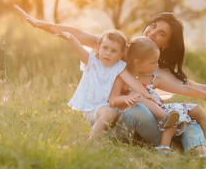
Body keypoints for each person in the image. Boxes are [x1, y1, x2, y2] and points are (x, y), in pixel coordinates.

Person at [15, 6, 206, 155]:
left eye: (160, 33)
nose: (151, 33)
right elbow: (79, 34)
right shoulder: (120, 47)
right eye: (152, 26)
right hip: (120, 118)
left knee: (188, 118)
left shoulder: (159, 72)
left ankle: (203, 152)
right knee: (143, 108)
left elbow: (196, 88)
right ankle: (169, 143)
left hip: (145, 125)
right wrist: (40, 25)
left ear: (167, 45)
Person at [23, 22, 179, 139]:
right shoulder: (91, 61)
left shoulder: (119, 66)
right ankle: (92, 142)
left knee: (141, 98)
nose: (108, 53)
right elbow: (79, 48)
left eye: (113, 51)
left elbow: (133, 83)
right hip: (93, 108)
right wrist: (69, 37)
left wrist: (147, 94)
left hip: (109, 106)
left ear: (121, 53)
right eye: (105, 48)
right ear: (99, 47)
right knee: (109, 113)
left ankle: (164, 117)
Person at [109, 36, 206, 154]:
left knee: (194, 112)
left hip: (162, 116)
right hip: (146, 120)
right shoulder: (123, 79)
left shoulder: (153, 79)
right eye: (153, 62)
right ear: (137, 62)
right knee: (178, 115)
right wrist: (126, 98)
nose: (157, 65)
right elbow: (112, 100)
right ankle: (166, 145)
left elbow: (182, 89)